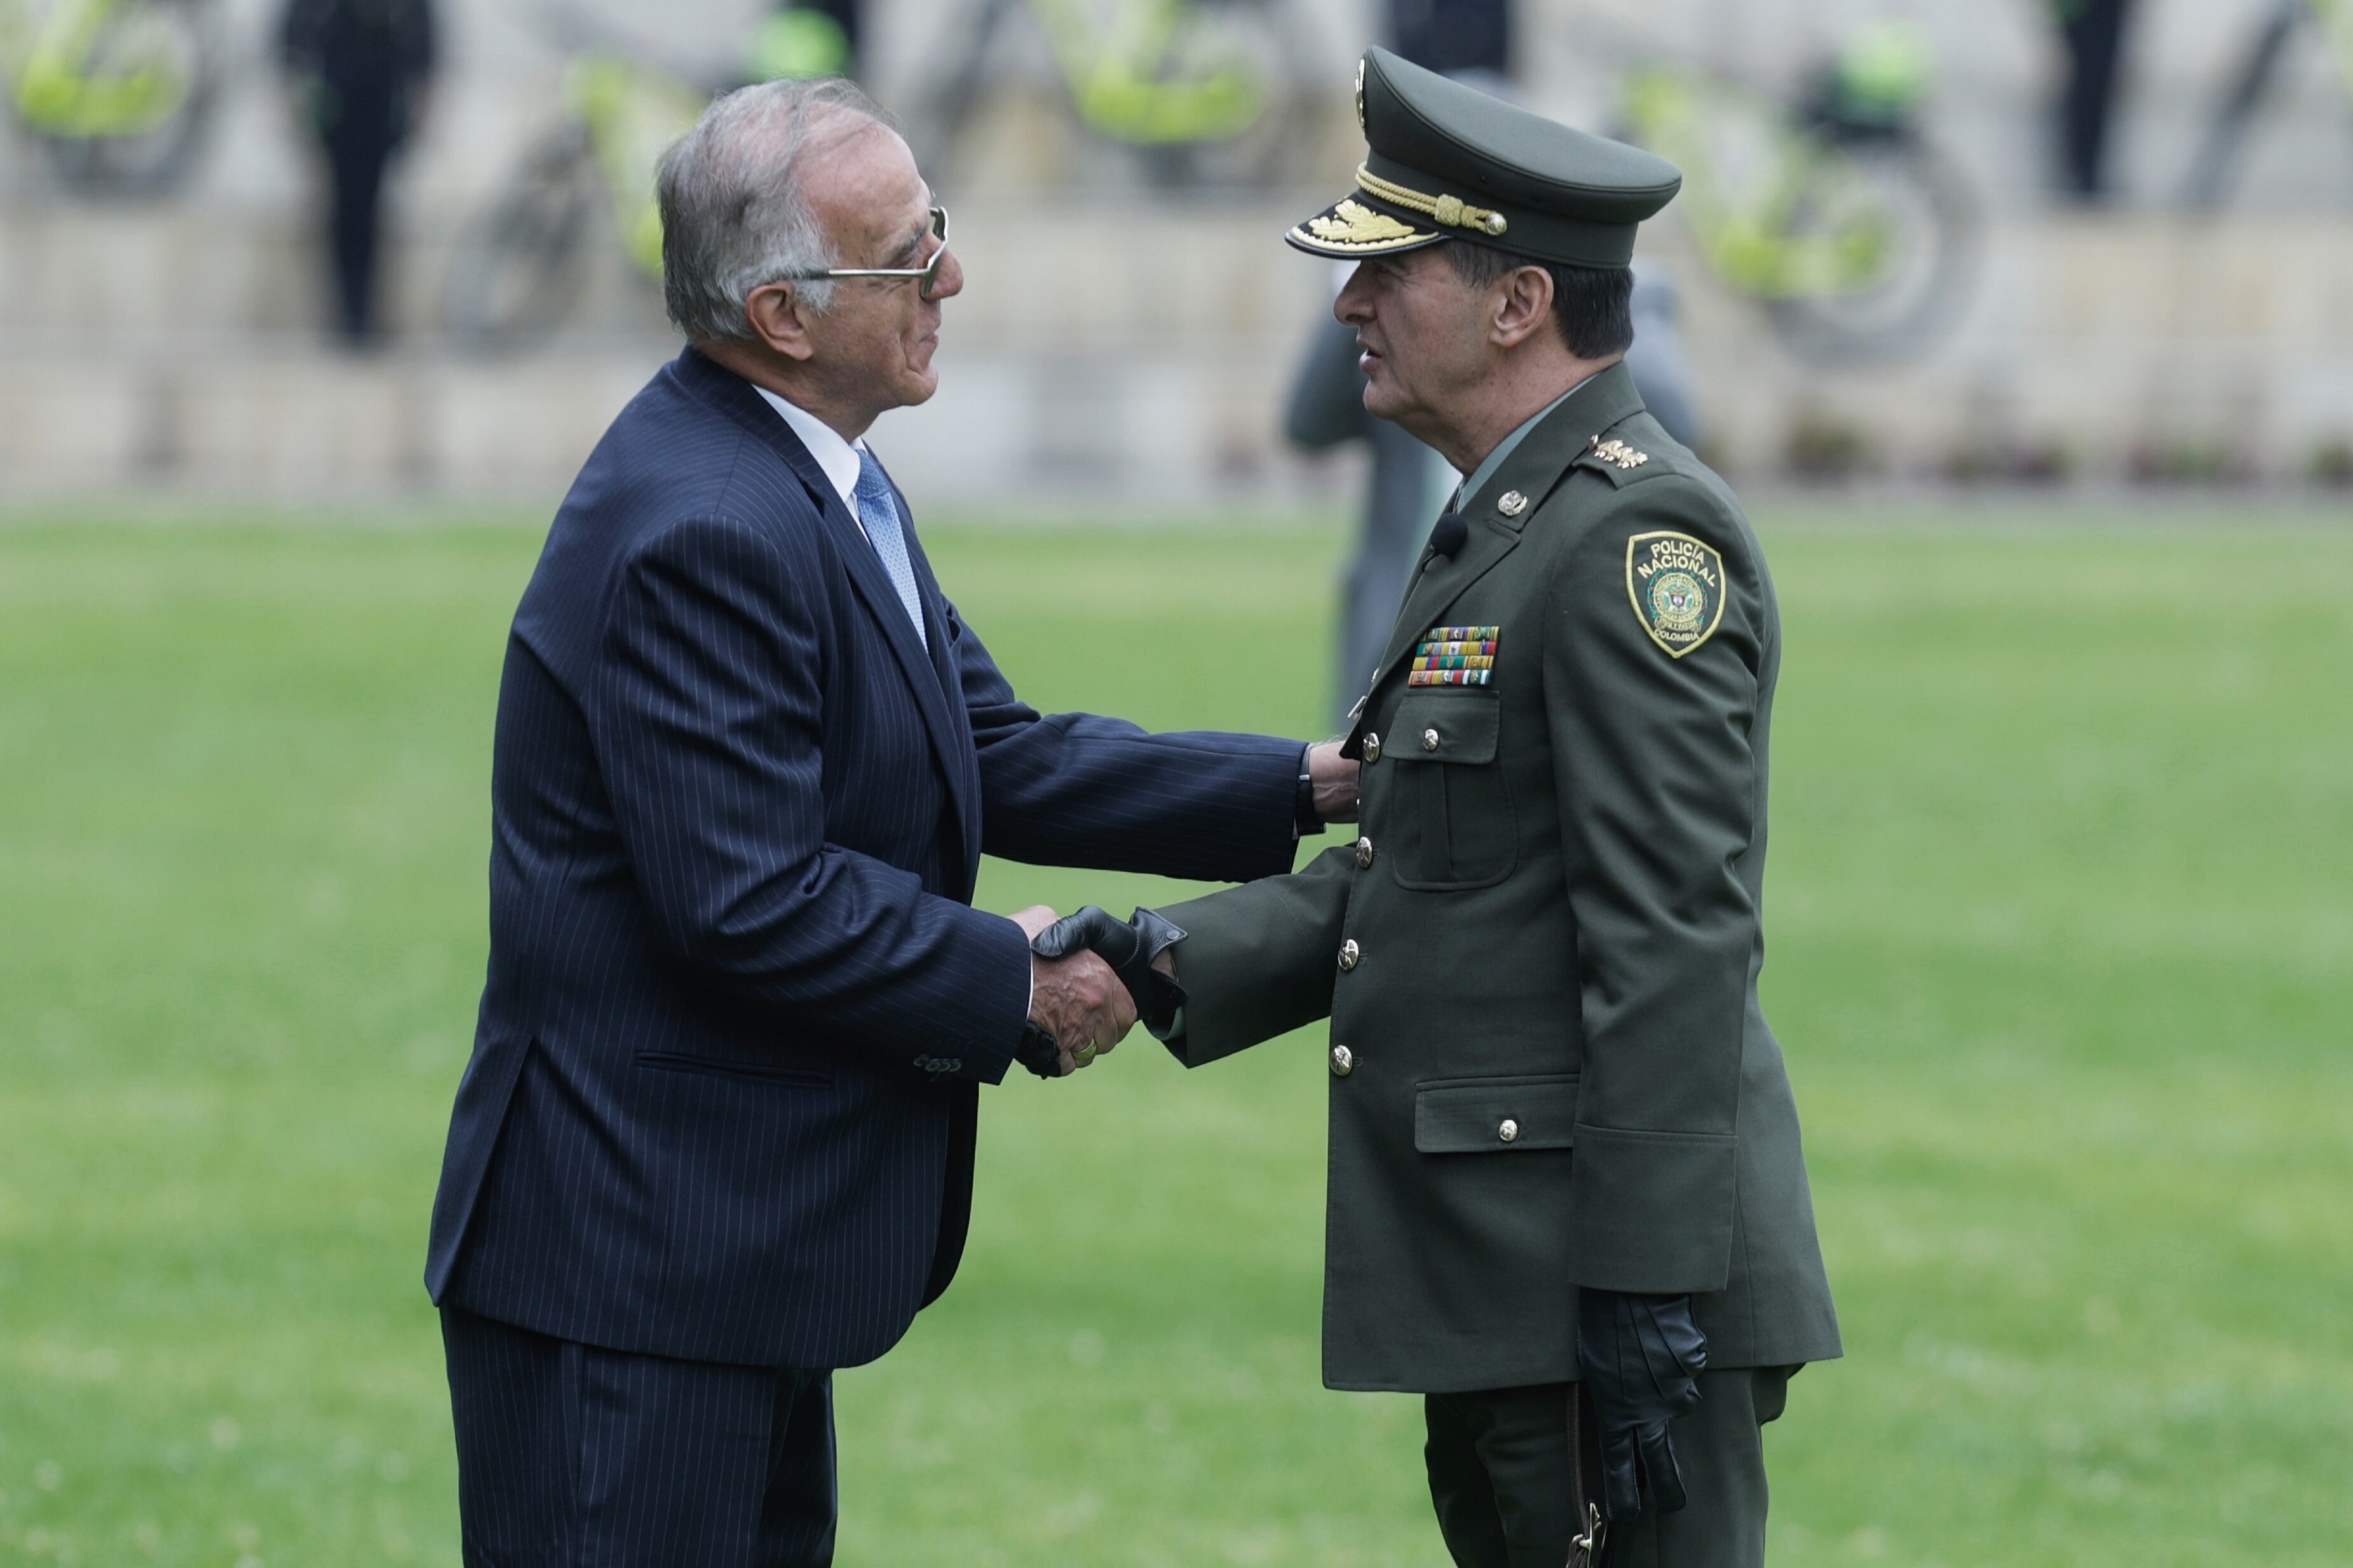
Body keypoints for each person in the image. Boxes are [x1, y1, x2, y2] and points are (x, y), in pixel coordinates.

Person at [423, 77, 1356, 1567]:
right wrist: (1015, 980)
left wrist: (1307, 781)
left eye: (941, 231)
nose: (954, 278)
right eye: (909, 255)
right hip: (635, 1268)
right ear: (785, 315)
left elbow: (986, 748)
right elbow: (747, 897)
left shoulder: (808, 470)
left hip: (733, 1252)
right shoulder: (704, 525)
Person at [1042, 50, 1839, 1568]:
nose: (1349, 306)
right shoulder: (1507, 522)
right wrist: (1163, 957)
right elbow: (1440, 870)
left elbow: (1672, 933)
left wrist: (1646, 1289)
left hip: (1589, 1280)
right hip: (1511, 1279)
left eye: (1385, 272)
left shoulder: (1630, 540)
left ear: (1518, 302)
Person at [278, 0, 437, 346]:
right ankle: (348, 312)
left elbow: (423, 31)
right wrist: (292, 87)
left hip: (383, 98)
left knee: (371, 210)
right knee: (343, 211)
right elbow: (295, 29)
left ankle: (364, 312)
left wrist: (424, 92)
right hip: (338, 97)